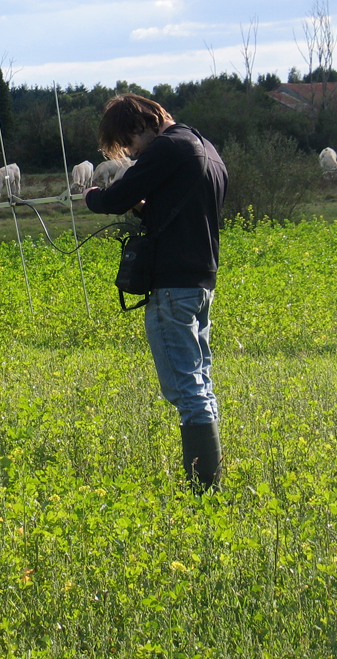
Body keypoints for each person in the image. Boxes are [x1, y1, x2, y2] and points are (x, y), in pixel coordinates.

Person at [84, 94, 228, 492]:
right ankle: (211, 483)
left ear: (139, 125)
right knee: (200, 382)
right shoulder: (206, 149)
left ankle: (204, 490)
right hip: (201, 284)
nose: (130, 152)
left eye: (127, 145)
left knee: (186, 389)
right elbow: (189, 210)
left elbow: (114, 198)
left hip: (172, 288)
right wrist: (148, 210)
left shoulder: (167, 146)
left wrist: (90, 196)